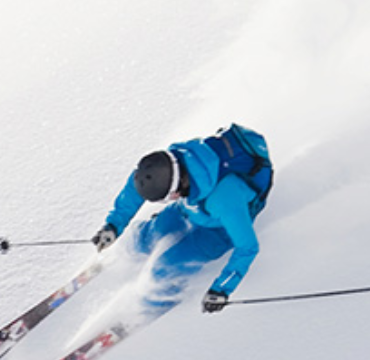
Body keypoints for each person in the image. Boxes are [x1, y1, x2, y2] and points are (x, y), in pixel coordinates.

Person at [91, 126, 273, 316]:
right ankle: (125, 253)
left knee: (165, 268)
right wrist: (113, 225)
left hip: (219, 229)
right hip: (191, 207)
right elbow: (138, 183)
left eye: (166, 197)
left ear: (177, 188)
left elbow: (248, 246)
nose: (167, 200)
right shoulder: (172, 160)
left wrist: (221, 290)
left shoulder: (225, 200)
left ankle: (153, 303)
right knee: (146, 237)